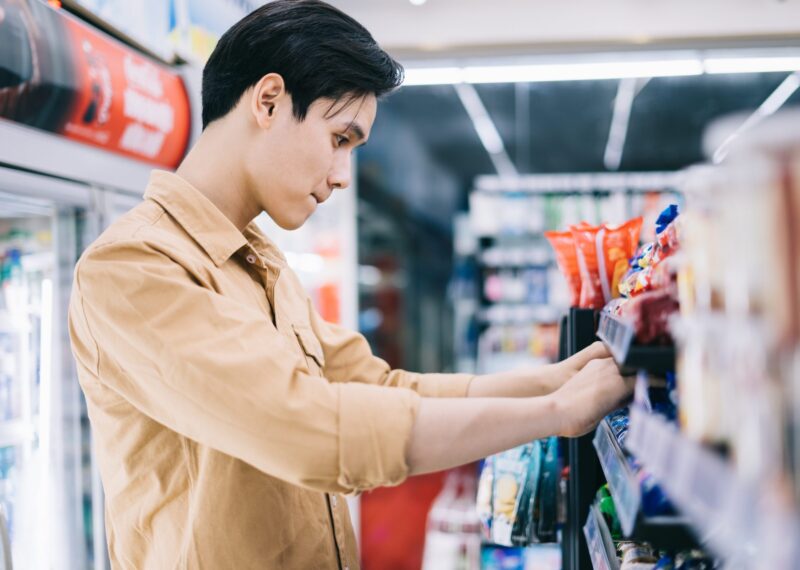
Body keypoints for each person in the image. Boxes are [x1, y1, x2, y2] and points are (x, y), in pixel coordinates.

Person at [67, 1, 634, 568]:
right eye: (340, 139)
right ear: (268, 101)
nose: (342, 177)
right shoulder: (133, 268)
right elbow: (306, 429)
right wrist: (555, 412)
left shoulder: (258, 262)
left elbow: (380, 387)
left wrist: (549, 383)